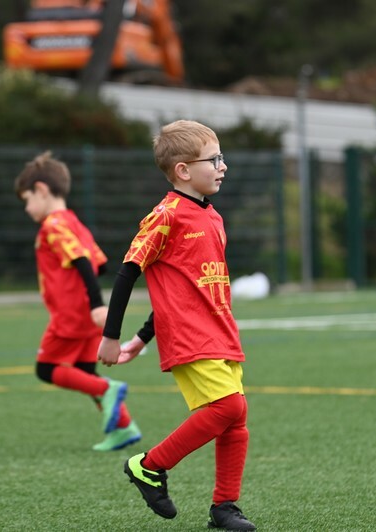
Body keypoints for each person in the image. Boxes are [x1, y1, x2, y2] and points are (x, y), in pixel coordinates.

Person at [97, 120, 256, 531]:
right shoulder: (165, 216)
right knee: (227, 407)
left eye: (222, 157)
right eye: (213, 159)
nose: (223, 166)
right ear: (183, 170)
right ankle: (149, 465)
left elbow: (180, 289)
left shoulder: (213, 217)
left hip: (221, 330)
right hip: (190, 336)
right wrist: (111, 337)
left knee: (236, 419)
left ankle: (225, 507)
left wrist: (140, 338)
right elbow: (128, 273)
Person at [14, 151, 141, 451]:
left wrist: (95, 304)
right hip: (87, 314)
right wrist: (93, 304)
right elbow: (99, 264)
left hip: (71, 314)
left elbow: (82, 261)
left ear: (41, 190)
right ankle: (124, 428)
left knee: (46, 369)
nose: (27, 208)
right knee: (84, 373)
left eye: (27, 200)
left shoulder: (53, 225)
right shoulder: (74, 222)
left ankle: (107, 389)